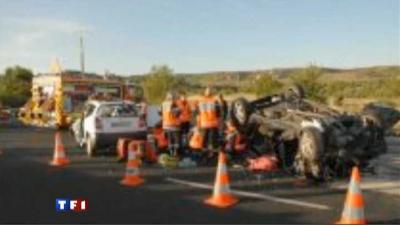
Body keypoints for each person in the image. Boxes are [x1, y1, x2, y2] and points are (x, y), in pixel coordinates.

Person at [196, 86, 221, 157]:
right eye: (207, 90)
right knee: (206, 140)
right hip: (206, 124)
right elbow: (198, 114)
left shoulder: (214, 100)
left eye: (210, 90)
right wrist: (198, 125)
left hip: (211, 124)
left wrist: (218, 123)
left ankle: (210, 154)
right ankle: (205, 153)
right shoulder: (202, 100)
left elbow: (218, 113)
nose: (209, 92)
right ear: (204, 92)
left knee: (210, 140)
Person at [159, 92, 181, 157]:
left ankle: (171, 153)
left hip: (166, 125)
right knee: (176, 141)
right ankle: (175, 153)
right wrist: (179, 110)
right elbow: (176, 114)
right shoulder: (174, 104)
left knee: (170, 140)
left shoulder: (163, 104)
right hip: (174, 125)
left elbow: (159, 112)